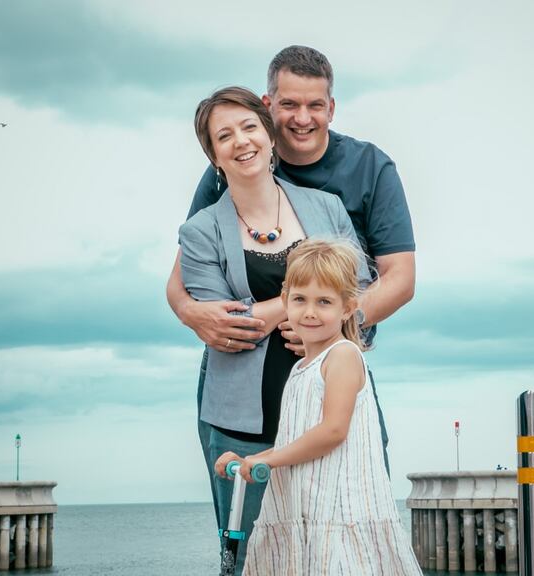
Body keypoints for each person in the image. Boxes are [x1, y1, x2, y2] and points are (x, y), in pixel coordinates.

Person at [166, 43, 416, 528]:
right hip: (244, 395)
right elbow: (185, 274)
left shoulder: (365, 171)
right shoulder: (225, 171)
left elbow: (398, 280)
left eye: (314, 105)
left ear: (331, 108)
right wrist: (189, 312)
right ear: (269, 105)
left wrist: (323, 328)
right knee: (251, 541)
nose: (302, 118)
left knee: (357, 529)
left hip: (334, 377)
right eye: (289, 105)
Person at [178, 86, 371, 574]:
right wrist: (303, 303)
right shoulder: (200, 231)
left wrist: (284, 314)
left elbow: (360, 287)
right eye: (224, 136)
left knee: (338, 553)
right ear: (214, 156)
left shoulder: (326, 207)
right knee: (250, 558)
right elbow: (227, 325)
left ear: (268, 135)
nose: (241, 141)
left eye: (249, 127)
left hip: (328, 412)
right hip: (242, 423)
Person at [215, 239, 421, 575]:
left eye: (324, 301)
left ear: (347, 307)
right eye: (300, 299)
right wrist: (249, 460)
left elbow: (332, 431)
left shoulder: (342, 356)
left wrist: (267, 460)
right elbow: (295, 442)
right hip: (305, 511)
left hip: (340, 512)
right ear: (285, 301)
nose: (310, 311)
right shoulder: (300, 369)